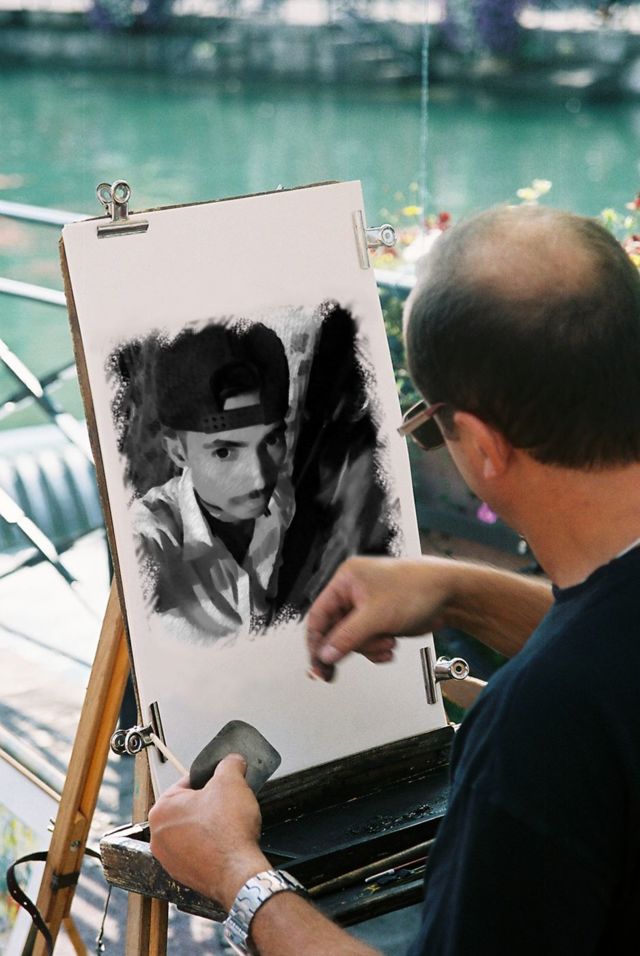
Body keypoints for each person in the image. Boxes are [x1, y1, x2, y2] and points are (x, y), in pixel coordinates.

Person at [148, 204, 640, 954]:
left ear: (480, 445)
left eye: (429, 427)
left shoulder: (534, 732)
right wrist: (459, 590)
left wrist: (238, 877)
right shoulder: (582, 685)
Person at [132, 322, 295, 643]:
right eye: (224, 452)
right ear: (178, 452)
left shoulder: (283, 499)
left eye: (271, 440)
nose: (259, 477)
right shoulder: (148, 537)